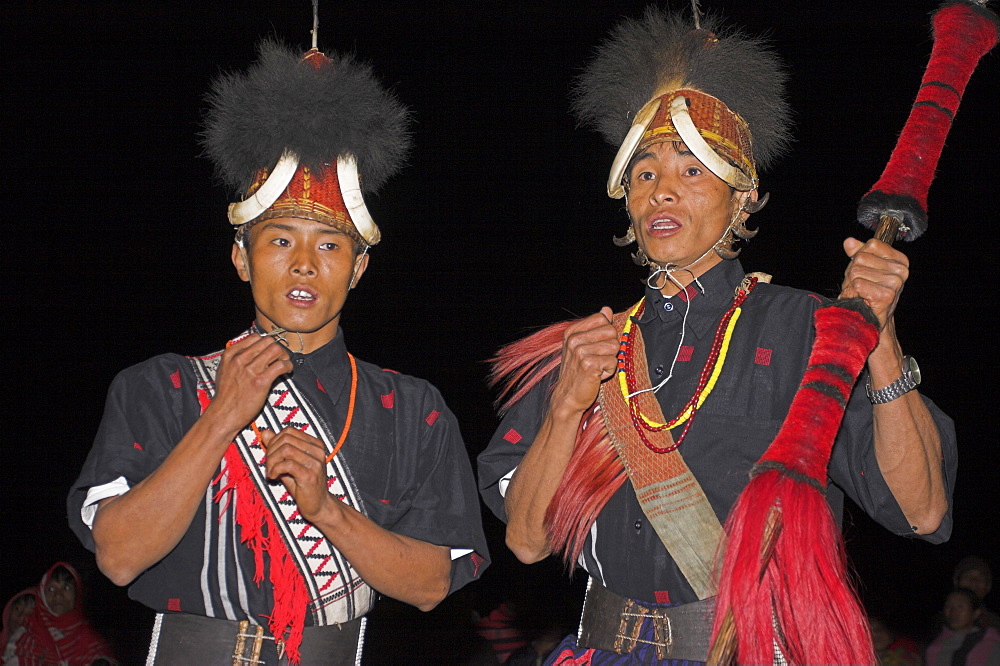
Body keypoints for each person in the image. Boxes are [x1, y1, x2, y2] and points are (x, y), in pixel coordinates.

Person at [477, 8, 956, 664]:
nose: (661, 192)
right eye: (644, 174)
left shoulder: (807, 328)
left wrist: (881, 335)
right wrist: (566, 406)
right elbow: (528, 543)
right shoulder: (586, 349)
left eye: (691, 170)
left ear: (742, 198)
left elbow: (922, 511)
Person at [67, 35, 488, 666]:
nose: (303, 265)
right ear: (240, 257)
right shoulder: (162, 387)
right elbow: (119, 558)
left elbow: (430, 585)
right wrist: (220, 419)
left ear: (358, 269)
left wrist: (326, 511)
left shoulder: (411, 408)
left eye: (328, 246)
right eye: (278, 241)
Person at [2, 562, 115, 665]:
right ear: (42, 595)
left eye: (66, 588)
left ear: (77, 593)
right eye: (51, 589)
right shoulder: (25, 636)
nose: (58, 595)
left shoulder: (91, 640)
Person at [926, 588, 1000, 665]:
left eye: (960, 607)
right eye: (948, 606)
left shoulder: (991, 643)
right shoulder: (935, 646)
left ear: (975, 613)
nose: (953, 612)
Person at [954, 557, 1000, 631]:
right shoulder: (937, 625)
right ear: (957, 583)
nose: (974, 582)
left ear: (988, 586)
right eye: (967, 576)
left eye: (981, 577)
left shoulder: (996, 624)